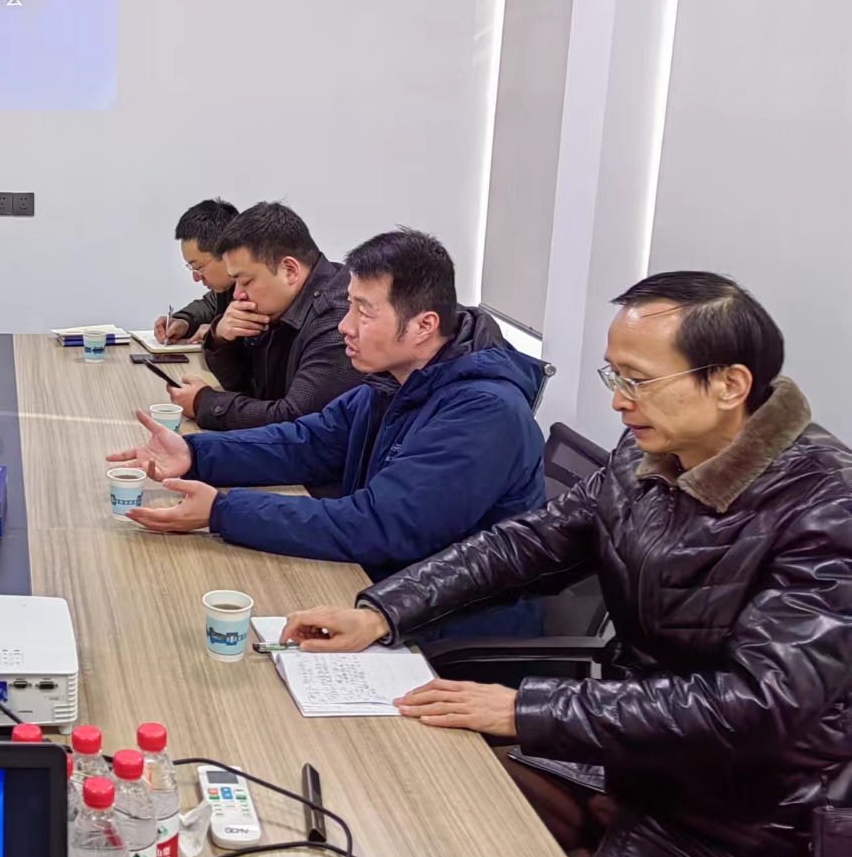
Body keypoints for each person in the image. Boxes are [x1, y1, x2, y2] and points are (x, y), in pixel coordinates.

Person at [282, 273, 852, 857]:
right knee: (414, 817)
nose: (618, 400)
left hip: (736, 843)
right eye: (616, 375)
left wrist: (526, 709)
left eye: (638, 380)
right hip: (620, 768)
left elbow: (757, 706)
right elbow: (530, 544)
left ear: (730, 384)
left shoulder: (827, 505)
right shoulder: (650, 452)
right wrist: (382, 611)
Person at [109, 229, 546, 586]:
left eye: (364, 313)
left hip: (443, 629)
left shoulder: (484, 414)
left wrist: (223, 511)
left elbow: (376, 526)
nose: (345, 326)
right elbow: (309, 441)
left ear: (423, 326)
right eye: (349, 305)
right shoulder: (396, 380)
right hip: (382, 589)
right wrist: (196, 454)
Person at [167, 201, 365, 432]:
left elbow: (296, 422)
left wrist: (204, 403)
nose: (237, 295)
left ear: (290, 270)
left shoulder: (337, 321)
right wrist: (220, 339)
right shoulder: (278, 303)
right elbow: (251, 390)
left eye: (246, 281)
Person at [152, 198, 238, 345]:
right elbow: (210, 305)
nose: (196, 278)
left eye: (199, 267)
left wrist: (216, 334)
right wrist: (183, 321)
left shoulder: (262, 293)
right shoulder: (227, 287)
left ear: (227, 254)